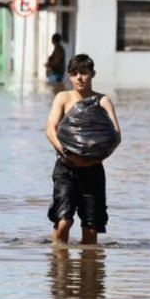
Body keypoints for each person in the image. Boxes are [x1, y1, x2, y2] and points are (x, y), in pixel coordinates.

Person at [45, 54, 121, 245]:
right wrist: (66, 152)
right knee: (64, 221)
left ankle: (88, 269)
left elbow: (116, 136)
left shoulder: (103, 101)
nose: (79, 77)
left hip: (93, 170)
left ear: (92, 74)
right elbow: (50, 129)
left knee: (91, 228)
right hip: (66, 169)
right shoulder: (63, 98)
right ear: (69, 76)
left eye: (84, 73)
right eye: (74, 73)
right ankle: (58, 265)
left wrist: (95, 158)